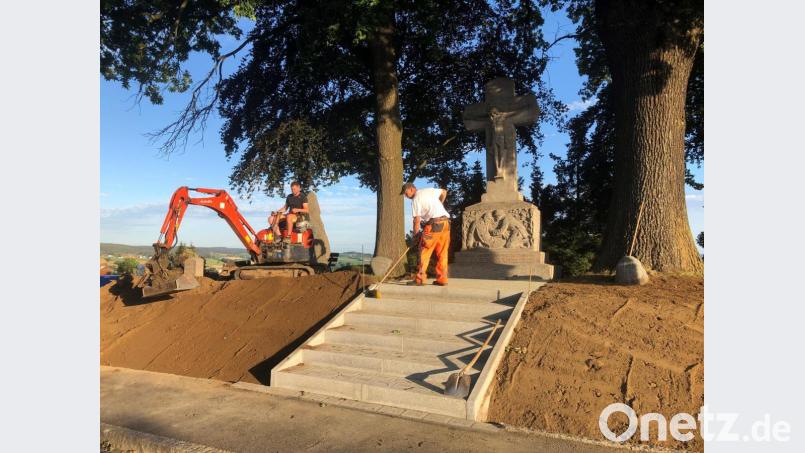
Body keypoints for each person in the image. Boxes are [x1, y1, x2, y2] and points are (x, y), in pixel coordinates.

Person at [402, 182, 450, 286]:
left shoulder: (415, 199)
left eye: (406, 194)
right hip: (446, 223)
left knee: (424, 251)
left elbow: (417, 220)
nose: (406, 196)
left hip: (434, 225)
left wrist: (415, 236)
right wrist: (440, 205)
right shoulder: (428, 191)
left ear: (411, 189)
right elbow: (444, 192)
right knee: (442, 253)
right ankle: (442, 279)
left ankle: (420, 279)